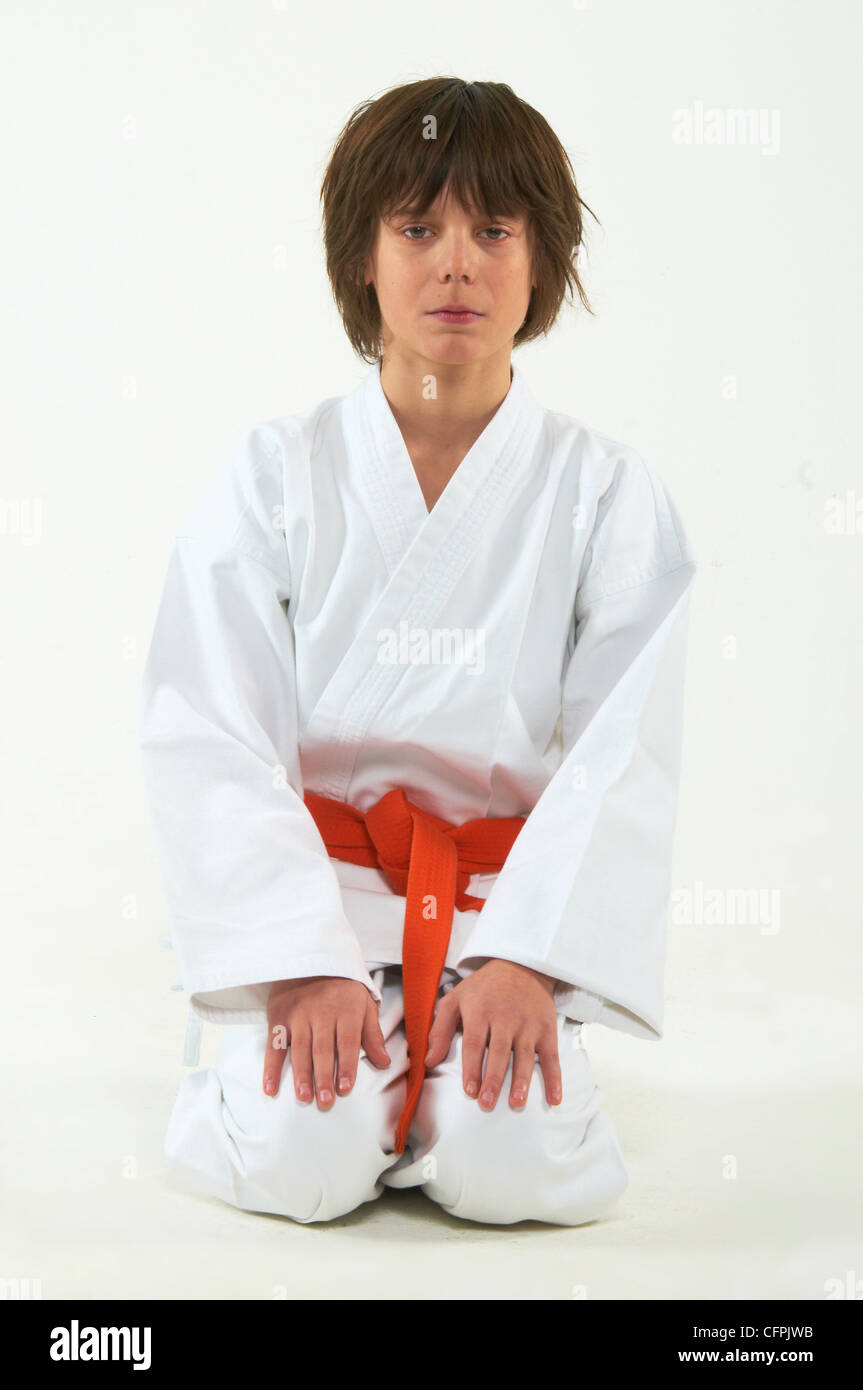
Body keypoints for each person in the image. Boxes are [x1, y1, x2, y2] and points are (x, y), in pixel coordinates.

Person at [138, 77, 697, 1226]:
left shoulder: (603, 496)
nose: (456, 264)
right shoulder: (276, 476)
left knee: (514, 1170)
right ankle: (245, 1060)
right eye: (416, 228)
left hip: (499, 910)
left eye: (494, 229)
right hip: (319, 902)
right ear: (361, 258)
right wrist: (295, 954)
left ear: (540, 259)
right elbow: (208, 723)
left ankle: (466, 1076)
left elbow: (618, 756)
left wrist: (530, 962)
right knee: (302, 1159)